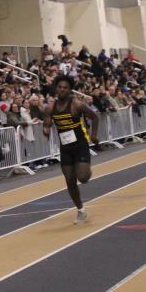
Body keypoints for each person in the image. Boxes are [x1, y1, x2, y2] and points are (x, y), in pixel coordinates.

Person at [48, 75, 99, 224]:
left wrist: (93, 135)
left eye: (65, 87)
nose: (62, 89)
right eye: (60, 87)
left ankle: (85, 170)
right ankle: (81, 210)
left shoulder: (77, 104)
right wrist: (45, 130)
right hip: (65, 148)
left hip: (80, 146)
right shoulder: (50, 107)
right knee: (70, 181)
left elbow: (95, 117)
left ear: (70, 90)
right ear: (56, 89)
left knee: (82, 178)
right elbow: (46, 122)